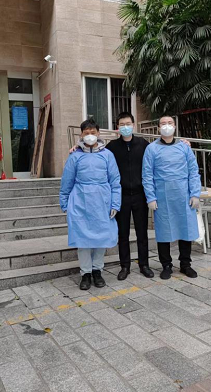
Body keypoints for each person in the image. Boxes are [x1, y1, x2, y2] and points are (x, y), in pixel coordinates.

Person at [60, 119, 122, 290]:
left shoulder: (108, 155)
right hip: (80, 202)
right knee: (83, 241)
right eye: (86, 133)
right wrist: (64, 203)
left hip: (102, 202)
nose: (89, 136)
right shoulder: (75, 156)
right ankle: (85, 273)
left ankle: (97, 271)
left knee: (101, 239)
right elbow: (67, 181)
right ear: (81, 135)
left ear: (98, 133)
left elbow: (115, 182)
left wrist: (115, 204)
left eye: (92, 132)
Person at [142, 115, 202, 280]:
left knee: (185, 229)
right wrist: (151, 197)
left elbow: (193, 171)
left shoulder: (184, 147)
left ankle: (185, 264)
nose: (166, 126)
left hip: (183, 195)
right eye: (163, 123)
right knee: (164, 232)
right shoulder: (151, 149)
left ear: (175, 127)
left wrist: (195, 193)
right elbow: (147, 175)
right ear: (158, 128)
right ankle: (166, 265)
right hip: (163, 196)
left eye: (170, 123)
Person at [105, 112, 154, 280]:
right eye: (122, 124)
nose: (125, 127)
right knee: (123, 233)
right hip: (121, 196)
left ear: (133, 125)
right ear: (117, 127)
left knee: (142, 232)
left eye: (128, 124)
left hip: (140, 195)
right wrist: (76, 148)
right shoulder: (111, 147)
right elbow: (97, 153)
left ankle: (144, 264)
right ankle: (124, 266)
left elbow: (158, 154)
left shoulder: (143, 144)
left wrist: (183, 143)